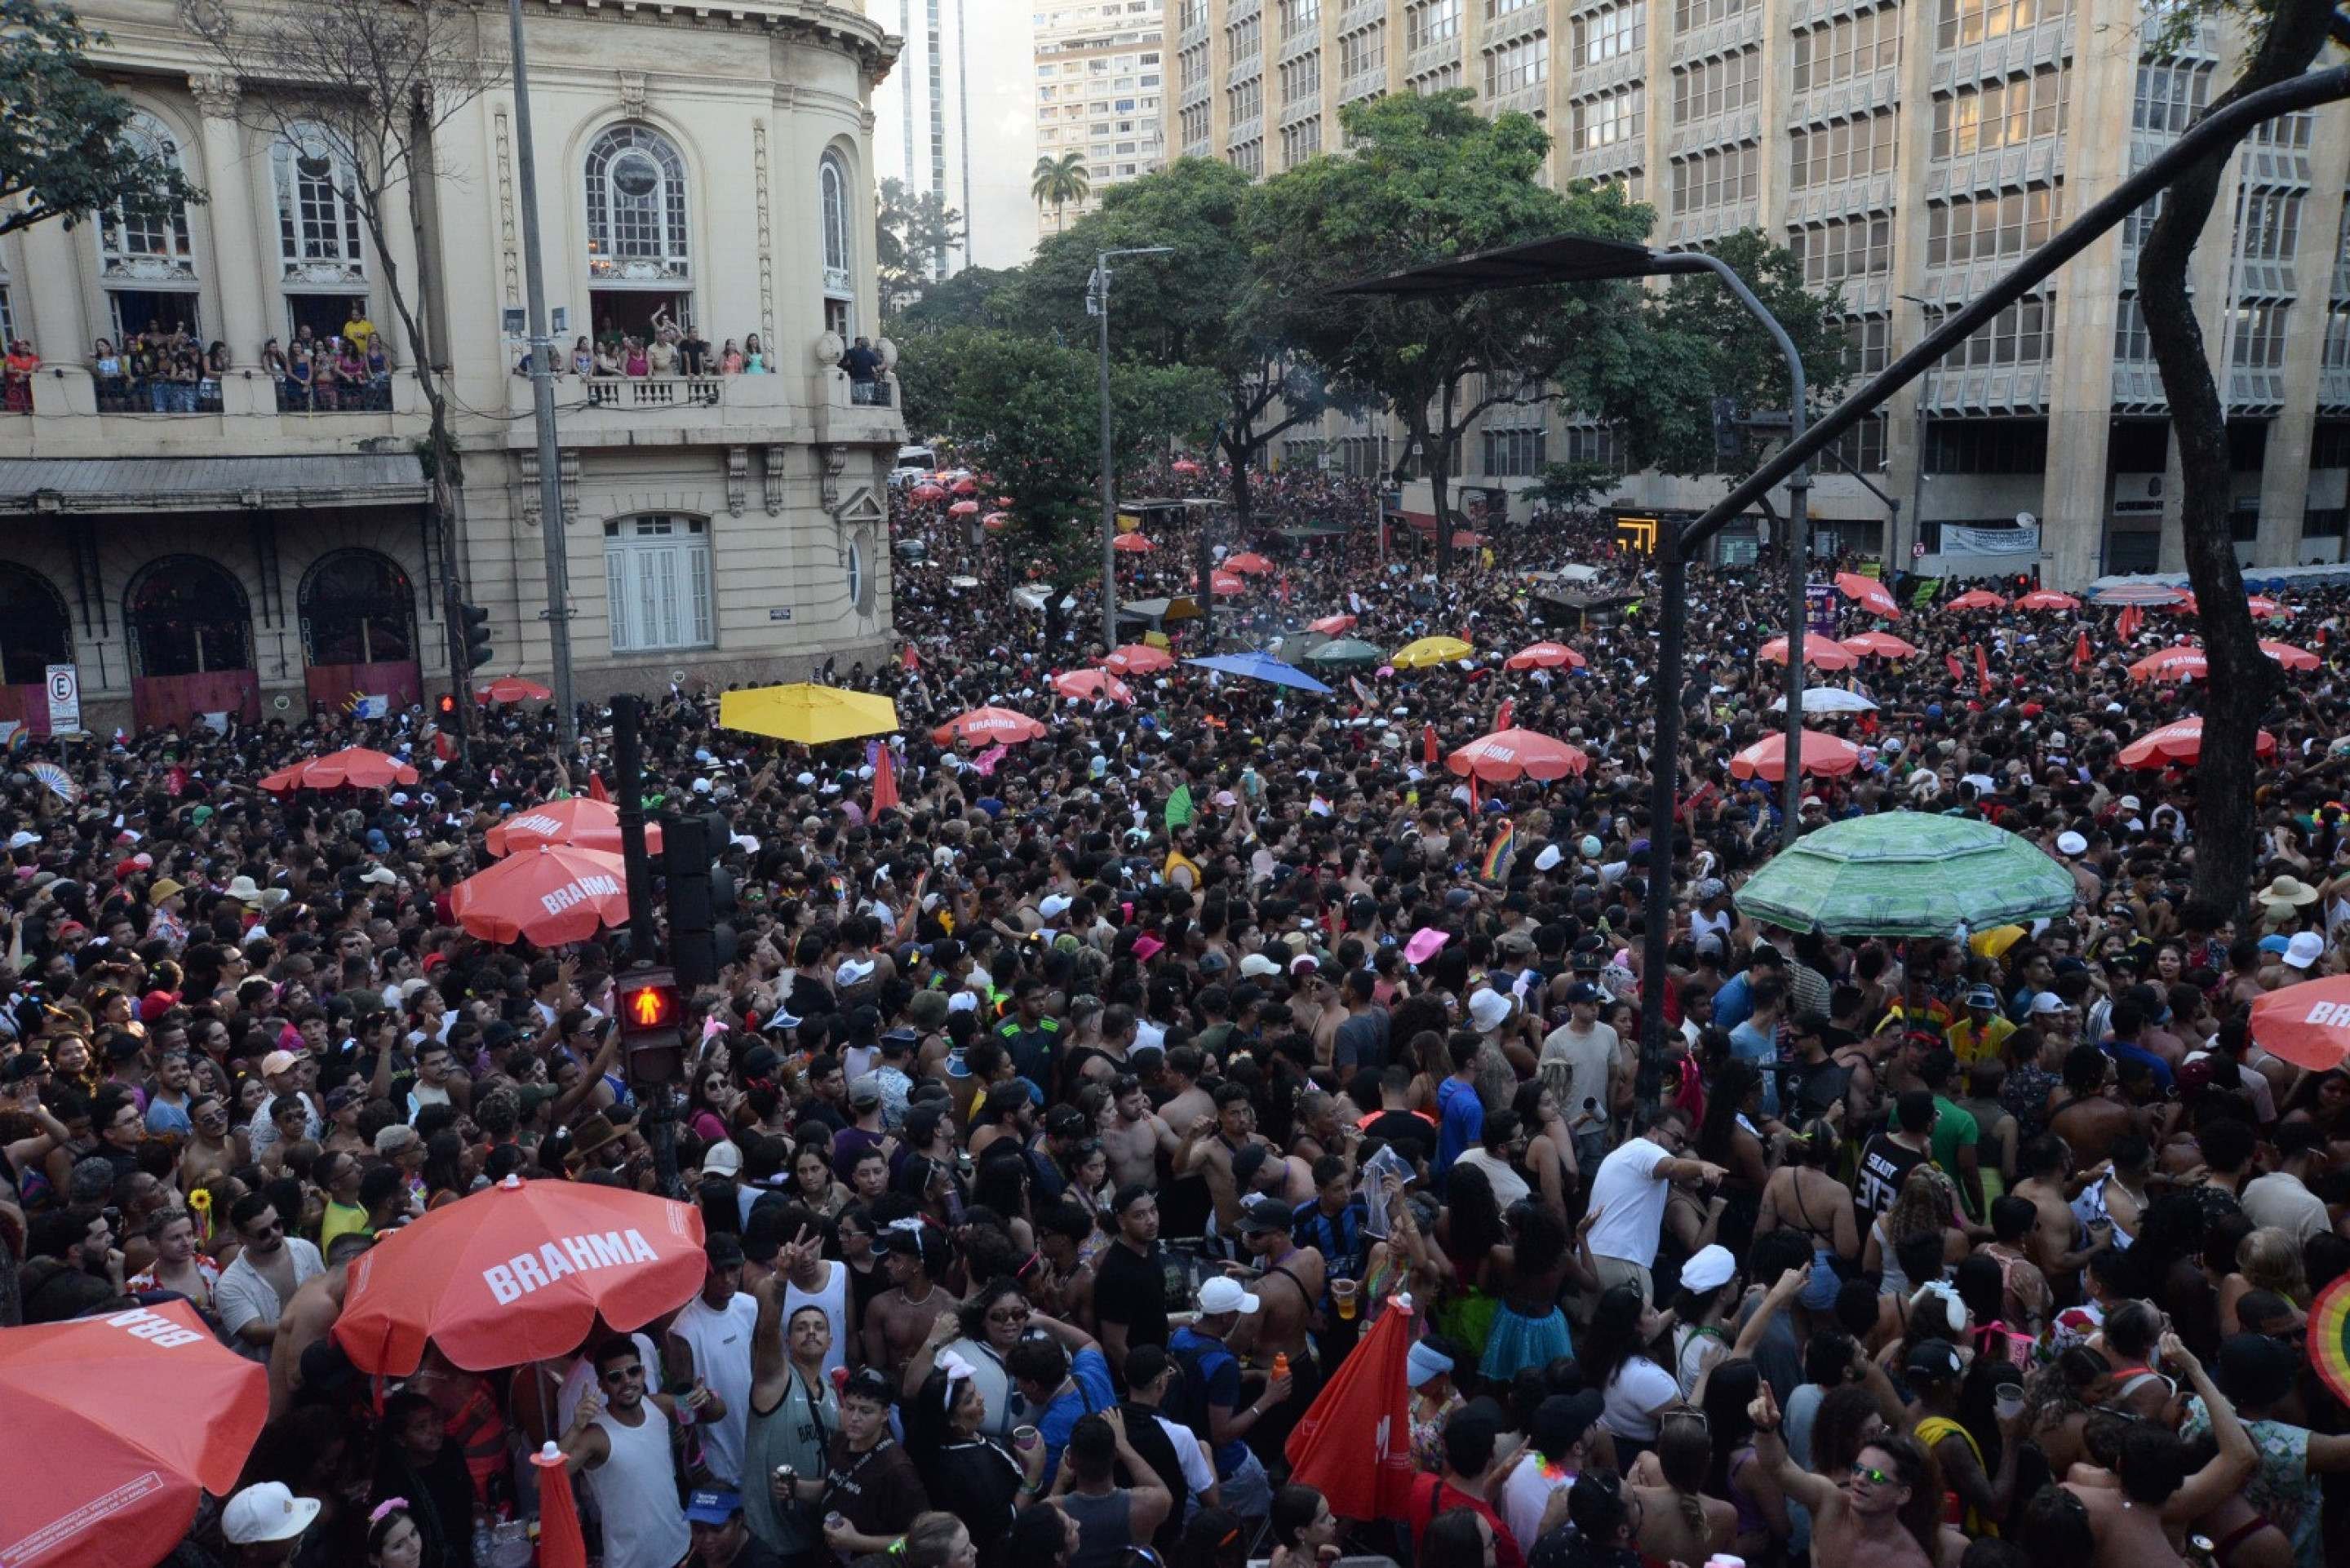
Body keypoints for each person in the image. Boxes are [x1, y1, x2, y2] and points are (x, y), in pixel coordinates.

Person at [555, 1335, 707, 1568]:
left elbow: (714, 1413)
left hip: (680, 1549)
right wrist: (576, 1427)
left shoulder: (661, 1405)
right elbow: (546, 1479)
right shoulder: (596, 1435)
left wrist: (708, 1398)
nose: (627, 1381)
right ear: (602, 1385)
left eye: (633, 1372)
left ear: (643, 1373)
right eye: (615, 1377)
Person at [1747, 1385, 1940, 1568]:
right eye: (1858, 1469)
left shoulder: (1908, 1562)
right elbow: (1779, 1466)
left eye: (1875, 1476)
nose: (1860, 1480)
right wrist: (1766, 1430)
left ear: (1903, 1494)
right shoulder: (1829, 1503)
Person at [1582, 1108, 1724, 1304]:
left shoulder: (1627, 1153)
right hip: (1620, 1261)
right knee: (1636, 1331)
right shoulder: (1646, 1149)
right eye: (1676, 1138)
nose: (1680, 1145)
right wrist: (1703, 1167)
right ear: (1654, 1131)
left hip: (1599, 1257)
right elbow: (1673, 1167)